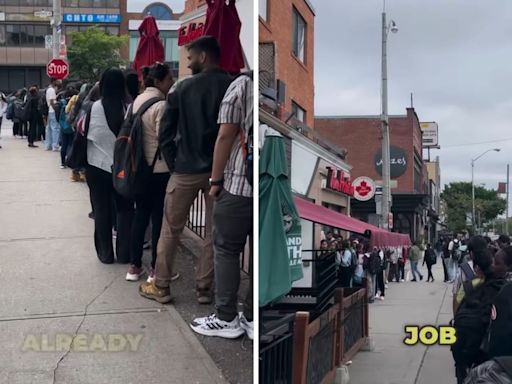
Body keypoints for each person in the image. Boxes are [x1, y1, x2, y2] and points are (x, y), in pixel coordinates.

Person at [139, 36, 233, 305]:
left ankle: (162, 285)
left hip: (185, 169)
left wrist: (173, 163)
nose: (188, 63)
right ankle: (204, 288)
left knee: (171, 229)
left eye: (190, 58)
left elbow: (165, 134)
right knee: (214, 232)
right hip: (220, 171)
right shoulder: (231, 86)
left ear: (203, 56)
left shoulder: (181, 89)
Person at [190, 70, 254, 340]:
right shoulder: (261, 86)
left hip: (239, 184)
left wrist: (215, 180)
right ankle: (252, 317)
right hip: (267, 187)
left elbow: (225, 136)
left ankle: (226, 316)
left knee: (227, 248)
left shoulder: (240, 86)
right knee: (258, 255)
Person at [125, 63, 175, 282]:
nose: (171, 83)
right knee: (157, 220)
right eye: (168, 79)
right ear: (158, 81)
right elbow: (164, 139)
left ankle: (134, 266)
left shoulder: (135, 102)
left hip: (137, 169)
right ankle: (155, 269)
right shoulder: (161, 105)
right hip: (159, 171)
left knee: (140, 216)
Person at [86, 69, 133, 264]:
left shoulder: (92, 108)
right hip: (123, 167)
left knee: (102, 210)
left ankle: (105, 254)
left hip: (96, 166)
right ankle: (124, 254)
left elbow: (82, 133)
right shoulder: (129, 108)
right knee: (125, 210)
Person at [451, 248, 505, 384]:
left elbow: (456, 304)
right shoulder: (504, 290)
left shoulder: (469, 287)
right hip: (494, 358)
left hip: (468, 354)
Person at [452, 236, 487, 315]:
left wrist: (456, 318)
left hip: (468, 316)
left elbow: (456, 295)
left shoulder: (465, 268)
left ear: (471, 253)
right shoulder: (495, 266)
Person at [58, 87, 79, 169]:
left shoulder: (62, 102)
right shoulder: (76, 102)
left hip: (63, 126)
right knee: (71, 144)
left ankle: (62, 163)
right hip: (72, 126)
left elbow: (58, 115)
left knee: (64, 144)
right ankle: (70, 161)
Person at [45, 78, 62, 151]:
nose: (58, 82)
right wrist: (56, 110)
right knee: (55, 128)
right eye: (57, 81)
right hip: (53, 110)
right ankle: (55, 145)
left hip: (50, 110)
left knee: (49, 128)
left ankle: (48, 145)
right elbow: (52, 101)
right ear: (54, 81)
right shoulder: (51, 90)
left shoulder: (48, 90)